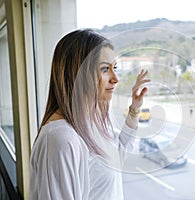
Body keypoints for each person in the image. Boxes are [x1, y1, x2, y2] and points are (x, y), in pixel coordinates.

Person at [30, 28, 150, 200]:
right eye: (104, 69)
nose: (115, 78)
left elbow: (117, 157)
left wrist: (134, 109)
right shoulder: (61, 139)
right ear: (77, 72)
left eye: (114, 68)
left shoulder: (88, 122)